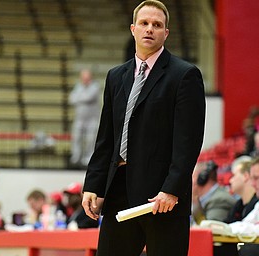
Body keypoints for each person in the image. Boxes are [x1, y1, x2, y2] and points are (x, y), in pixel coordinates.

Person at [81, 1, 206, 255]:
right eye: (144, 23)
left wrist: (172, 189)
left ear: (166, 33)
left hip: (161, 199)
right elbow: (106, 138)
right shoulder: (116, 76)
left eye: (157, 25)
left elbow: (188, 142)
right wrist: (93, 184)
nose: (150, 29)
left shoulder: (184, 75)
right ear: (133, 29)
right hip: (118, 190)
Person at [69, 68, 101, 168]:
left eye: (87, 77)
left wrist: (79, 97)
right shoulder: (78, 86)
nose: (85, 79)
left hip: (92, 119)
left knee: (90, 139)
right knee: (77, 138)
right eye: (83, 77)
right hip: (79, 118)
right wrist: (80, 97)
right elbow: (71, 99)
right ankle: (76, 157)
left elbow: (89, 97)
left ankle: (88, 158)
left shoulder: (95, 86)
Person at [225, 156, 258, 223]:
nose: (230, 180)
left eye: (234, 175)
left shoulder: (256, 204)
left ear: (245, 176)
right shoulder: (238, 205)